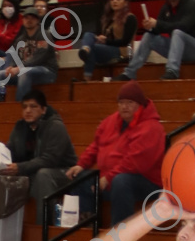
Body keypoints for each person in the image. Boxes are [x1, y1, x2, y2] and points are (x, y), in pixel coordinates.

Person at [66, 81, 164, 223]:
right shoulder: (110, 121)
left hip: (145, 181)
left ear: (140, 104)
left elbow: (136, 163)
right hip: (112, 177)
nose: (124, 107)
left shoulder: (151, 127)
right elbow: (96, 145)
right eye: (121, 102)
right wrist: (82, 164)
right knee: (79, 177)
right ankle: (85, 224)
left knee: (121, 181)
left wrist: (108, 178)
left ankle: (120, 233)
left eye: (130, 102)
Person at [125, 0, 195, 79]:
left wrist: (158, 24)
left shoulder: (191, 4)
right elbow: (158, 29)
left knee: (177, 32)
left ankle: (172, 71)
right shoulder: (166, 8)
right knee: (149, 36)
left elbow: (184, 26)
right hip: (178, 50)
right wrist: (150, 27)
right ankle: (129, 73)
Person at [5, 91, 77, 204]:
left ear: (43, 110)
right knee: (1, 172)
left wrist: (20, 167)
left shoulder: (55, 126)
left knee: (43, 175)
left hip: (64, 173)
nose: (28, 110)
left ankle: (44, 221)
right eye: (24, 107)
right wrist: (4, 160)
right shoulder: (19, 127)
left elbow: (49, 160)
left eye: (33, 106)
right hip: (32, 172)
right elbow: (11, 150)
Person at [0, 9, 57, 103]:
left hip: (46, 71)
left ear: (37, 21)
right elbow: (13, 54)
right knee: (0, 75)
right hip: (24, 72)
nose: (29, 20)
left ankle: (20, 107)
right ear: (23, 21)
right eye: (26, 18)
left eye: (32, 18)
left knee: (24, 72)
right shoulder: (20, 39)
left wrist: (18, 68)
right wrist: (11, 67)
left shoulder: (44, 35)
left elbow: (39, 58)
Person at [78, 0, 137, 81]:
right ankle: (85, 49)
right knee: (88, 35)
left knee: (92, 49)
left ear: (125, 2)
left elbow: (126, 41)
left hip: (123, 51)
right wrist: (101, 40)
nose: (114, 1)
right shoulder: (108, 19)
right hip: (108, 48)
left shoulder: (130, 18)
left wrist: (105, 40)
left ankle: (86, 78)